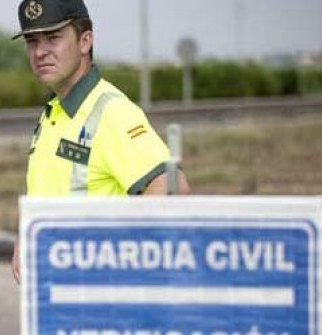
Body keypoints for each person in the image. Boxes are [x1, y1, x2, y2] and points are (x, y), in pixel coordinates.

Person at [10, 0, 190, 281]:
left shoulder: (111, 112)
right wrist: (26, 232)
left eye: (53, 38)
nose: (40, 51)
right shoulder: (55, 111)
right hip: (57, 297)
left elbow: (172, 190)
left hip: (95, 299)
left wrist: (111, 265)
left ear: (85, 41)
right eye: (32, 41)